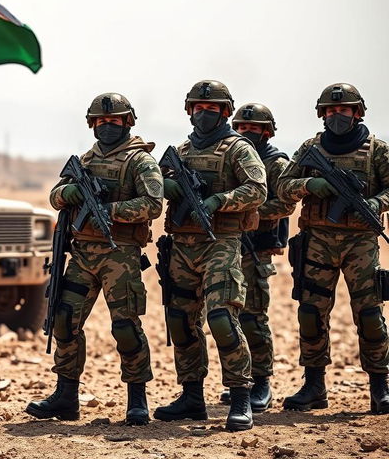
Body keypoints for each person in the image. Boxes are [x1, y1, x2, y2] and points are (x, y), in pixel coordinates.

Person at [26, 93, 163, 425]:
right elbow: (56, 195)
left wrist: (110, 210)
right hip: (83, 254)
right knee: (63, 319)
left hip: (120, 256)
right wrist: (68, 193)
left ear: (127, 122)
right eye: (100, 121)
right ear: (92, 124)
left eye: (114, 121)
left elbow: (153, 204)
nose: (107, 126)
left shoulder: (140, 161)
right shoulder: (85, 160)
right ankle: (65, 397)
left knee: (126, 327)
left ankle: (136, 398)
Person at [155, 80, 267, 432]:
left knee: (221, 318)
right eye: (199, 108)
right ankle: (191, 397)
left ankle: (240, 397)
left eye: (213, 109)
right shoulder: (182, 150)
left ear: (225, 112)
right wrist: (167, 186)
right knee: (181, 320)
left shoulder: (238, 149)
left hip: (221, 242)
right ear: (189, 111)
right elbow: (155, 182)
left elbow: (258, 189)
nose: (205, 114)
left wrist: (220, 200)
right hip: (182, 246)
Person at [277, 83, 389, 414]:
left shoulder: (377, 151)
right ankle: (314, 386)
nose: (336, 116)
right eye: (330, 111)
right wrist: (310, 184)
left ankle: (380, 387)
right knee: (311, 313)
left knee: (369, 315)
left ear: (358, 113)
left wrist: (373, 202)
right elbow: (283, 186)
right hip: (317, 242)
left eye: (343, 110)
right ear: (321, 114)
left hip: (360, 243)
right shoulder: (311, 148)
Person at [217, 103, 296, 412]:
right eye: (242, 128)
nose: (247, 133)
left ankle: (262, 383)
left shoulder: (275, 162)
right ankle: (241, 381)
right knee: (228, 318)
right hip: (226, 245)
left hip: (255, 248)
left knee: (253, 316)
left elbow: (284, 205)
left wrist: (244, 210)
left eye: (254, 129)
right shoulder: (232, 156)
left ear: (267, 132)